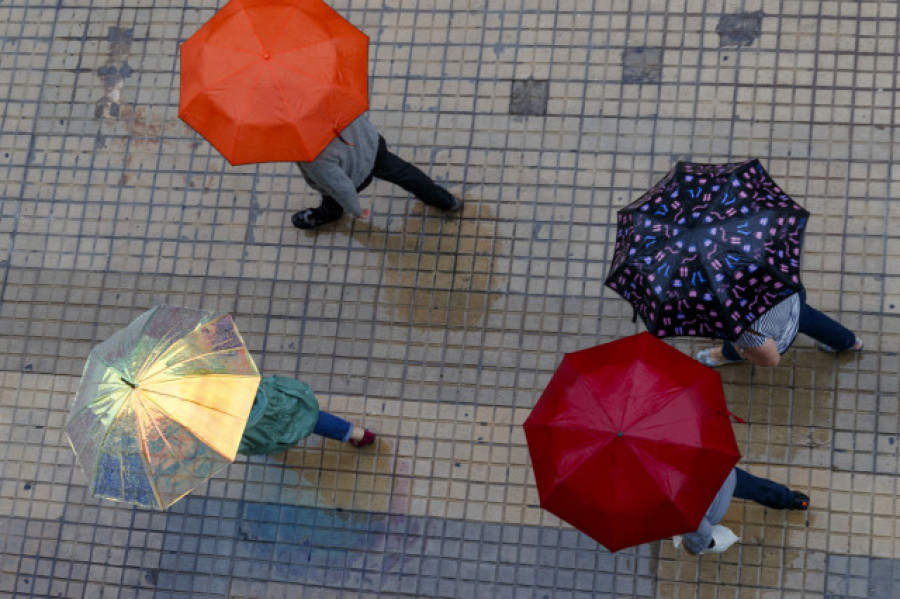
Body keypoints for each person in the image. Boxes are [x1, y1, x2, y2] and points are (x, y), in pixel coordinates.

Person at [291, 114, 462, 229]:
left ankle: (329, 214)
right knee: (405, 173)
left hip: (354, 175)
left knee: (332, 199)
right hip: (372, 146)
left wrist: (356, 210)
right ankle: (445, 200)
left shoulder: (311, 155)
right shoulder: (331, 98)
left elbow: (340, 187)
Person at [696, 288, 863, 368]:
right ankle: (848, 342)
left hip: (780, 332)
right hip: (793, 299)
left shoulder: (746, 329)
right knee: (811, 319)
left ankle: (726, 354)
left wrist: (740, 350)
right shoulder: (762, 257)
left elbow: (771, 360)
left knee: (740, 347)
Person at [681, 467, 809, 555]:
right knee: (755, 486)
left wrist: (695, 546)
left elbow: (699, 529)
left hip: (713, 504)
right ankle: (792, 499)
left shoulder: (677, 504)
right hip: (724, 472)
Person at [237, 375, 375, 457]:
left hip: (262, 429)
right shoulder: (223, 380)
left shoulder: (221, 428)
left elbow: (246, 447)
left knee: (286, 435)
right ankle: (360, 435)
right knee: (314, 419)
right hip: (276, 401)